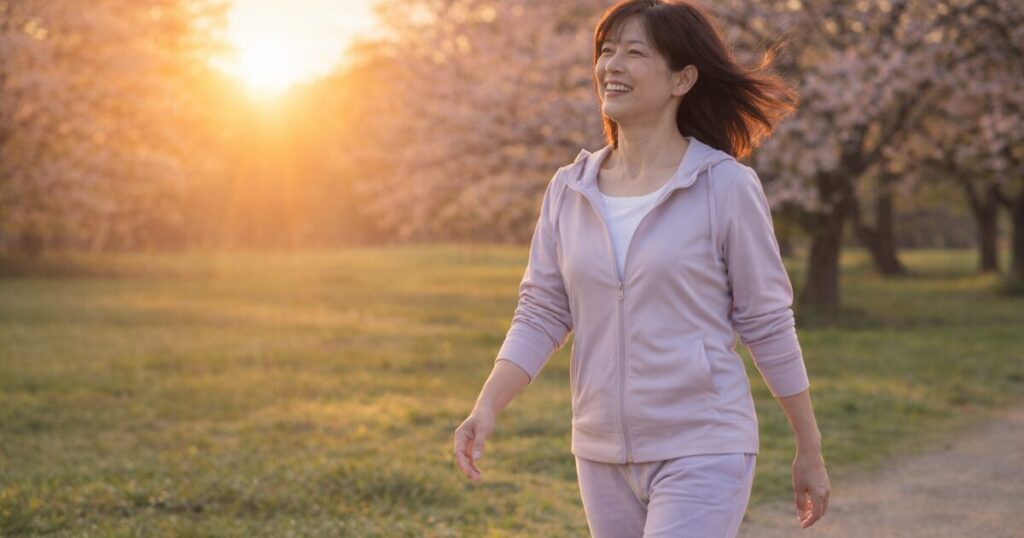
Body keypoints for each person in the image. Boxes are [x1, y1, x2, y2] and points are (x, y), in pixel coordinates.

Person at [453, 1, 830, 536]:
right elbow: (541, 312)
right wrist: (486, 407)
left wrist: (808, 447)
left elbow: (766, 322)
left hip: (703, 443)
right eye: (606, 52)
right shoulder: (569, 189)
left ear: (683, 78)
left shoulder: (725, 186)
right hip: (600, 451)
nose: (612, 66)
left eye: (634, 52)